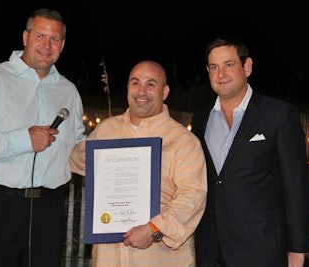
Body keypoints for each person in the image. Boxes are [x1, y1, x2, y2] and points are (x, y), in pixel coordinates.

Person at [0, 8, 86, 267]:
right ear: (25, 37)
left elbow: (76, 145)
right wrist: (24, 140)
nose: (47, 45)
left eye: (54, 39)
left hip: (49, 210)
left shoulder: (68, 91)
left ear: (63, 45)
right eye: (40, 36)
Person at [69, 60, 207, 266]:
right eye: (135, 83)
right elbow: (77, 161)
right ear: (127, 88)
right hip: (109, 255)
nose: (141, 91)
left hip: (159, 255)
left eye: (151, 84)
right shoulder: (107, 130)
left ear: (165, 91)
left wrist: (154, 229)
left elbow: (192, 198)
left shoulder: (183, 141)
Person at [191, 36, 309, 267]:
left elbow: (296, 185)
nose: (221, 74)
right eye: (213, 67)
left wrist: (297, 248)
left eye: (229, 65)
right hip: (210, 248)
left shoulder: (278, 114)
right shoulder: (201, 117)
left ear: (247, 67)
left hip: (262, 248)